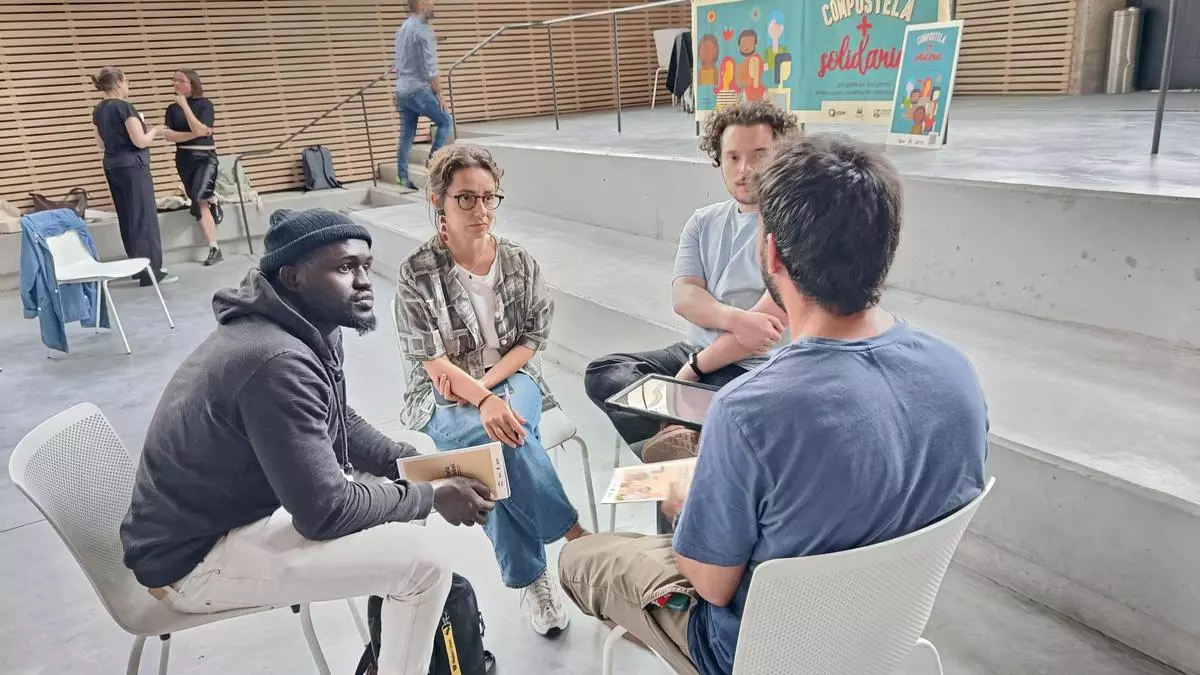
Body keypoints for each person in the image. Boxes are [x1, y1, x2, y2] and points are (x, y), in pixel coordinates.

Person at [558, 134, 990, 675]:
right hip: (888, 634)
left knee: (579, 558)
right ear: (886, 246)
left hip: (753, 651)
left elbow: (712, 585)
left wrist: (683, 499)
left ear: (772, 254)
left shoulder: (747, 413)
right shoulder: (957, 373)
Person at [121, 208, 495, 675]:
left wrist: (410, 464)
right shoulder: (274, 360)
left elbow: (338, 420)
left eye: (365, 265)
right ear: (292, 277)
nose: (364, 281)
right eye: (345, 268)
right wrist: (432, 495)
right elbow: (325, 513)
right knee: (425, 565)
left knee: (395, 487)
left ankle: (397, 649)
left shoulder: (306, 324)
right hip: (192, 559)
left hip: (225, 515)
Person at [394, 144, 586, 637]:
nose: (480, 209)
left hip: (512, 380)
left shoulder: (520, 262)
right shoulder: (417, 273)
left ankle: (533, 577)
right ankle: (576, 541)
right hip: (440, 397)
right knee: (493, 448)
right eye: (466, 198)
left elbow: (531, 342)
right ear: (438, 202)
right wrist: (480, 399)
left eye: (489, 197)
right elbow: (432, 363)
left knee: (497, 441)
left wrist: (486, 387)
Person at [584, 101, 797, 518]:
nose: (744, 170)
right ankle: (681, 445)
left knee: (681, 464)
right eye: (732, 157)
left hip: (754, 371)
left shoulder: (792, 223)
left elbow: (767, 329)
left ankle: (678, 451)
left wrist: (695, 369)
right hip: (696, 357)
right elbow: (684, 297)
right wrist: (735, 319)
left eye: (759, 155)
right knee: (606, 373)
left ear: (781, 155)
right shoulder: (704, 221)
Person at [90, 66, 175, 287]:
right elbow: (140, 141)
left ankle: (137, 268)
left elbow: (101, 144)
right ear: (118, 83)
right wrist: (155, 130)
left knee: (128, 217)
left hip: (112, 166)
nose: (128, 85)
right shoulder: (124, 107)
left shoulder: (98, 110)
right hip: (133, 167)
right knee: (144, 217)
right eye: (126, 81)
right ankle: (152, 272)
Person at [163, 68, 223, 267]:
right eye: (174, 81)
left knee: (198, 197)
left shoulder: (205, 105)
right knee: (197, 201)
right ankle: (212, 200)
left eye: (181, 81)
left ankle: (214, 247)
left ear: (192, 83)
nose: (176, 84)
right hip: (184, 159)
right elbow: (169, 136)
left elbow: (199, 127)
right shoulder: (171, 109)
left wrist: (185, 106)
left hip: (205, 157)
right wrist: (197, 133)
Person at [394, 0, 453, 190]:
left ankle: (402, 177)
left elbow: (398, 64)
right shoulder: (423, 30)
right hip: (417, 89)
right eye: (430, 2)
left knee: (407, 135)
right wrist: (440, 94)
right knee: (445, 120)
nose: (433, 5)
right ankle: (432, 163)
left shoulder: (402, 29)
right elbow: (431, 68)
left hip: (401, 90)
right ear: (421, 4)